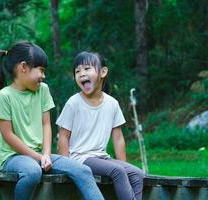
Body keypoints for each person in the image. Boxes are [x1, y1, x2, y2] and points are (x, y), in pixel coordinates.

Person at [0, 42, 104, 200]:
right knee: (33, 172)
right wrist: (39, 158)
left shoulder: (43, 90)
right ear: (23, 67)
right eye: (41, 70)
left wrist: (46, 154)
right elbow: (8, 135)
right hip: (14, 158)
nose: (43, 76)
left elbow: (46, 124)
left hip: (42, 155)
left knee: (83, 170)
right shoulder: (4, 96)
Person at [57, 51, 145, 200]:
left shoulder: (112, 103)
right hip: (80, 158)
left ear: (103, 72)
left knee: (136, 174)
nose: (81, 74)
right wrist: (67, 166)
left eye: (86, 69)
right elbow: (63, 137)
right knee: (118, 171)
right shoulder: (73, 103)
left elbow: (118, 139)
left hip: (102, 158)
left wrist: (122, 163)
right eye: (77, 71)